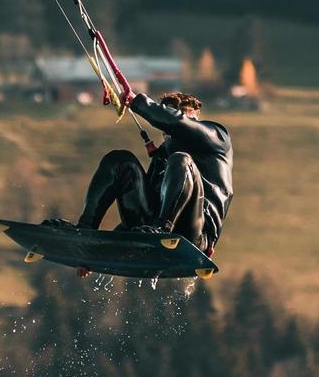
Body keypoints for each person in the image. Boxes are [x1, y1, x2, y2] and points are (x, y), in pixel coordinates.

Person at [48, 91, 233, 258]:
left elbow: (178, 123)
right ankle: (85, 230)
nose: (171, 133)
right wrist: (98, 252)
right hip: (151, 230)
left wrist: (138, 102)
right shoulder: (163, 155)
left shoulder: (217, 137)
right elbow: (141, 203)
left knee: (181, 160)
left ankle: (162, 230)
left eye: (187, 122)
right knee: (120, 160)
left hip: (195, 234)